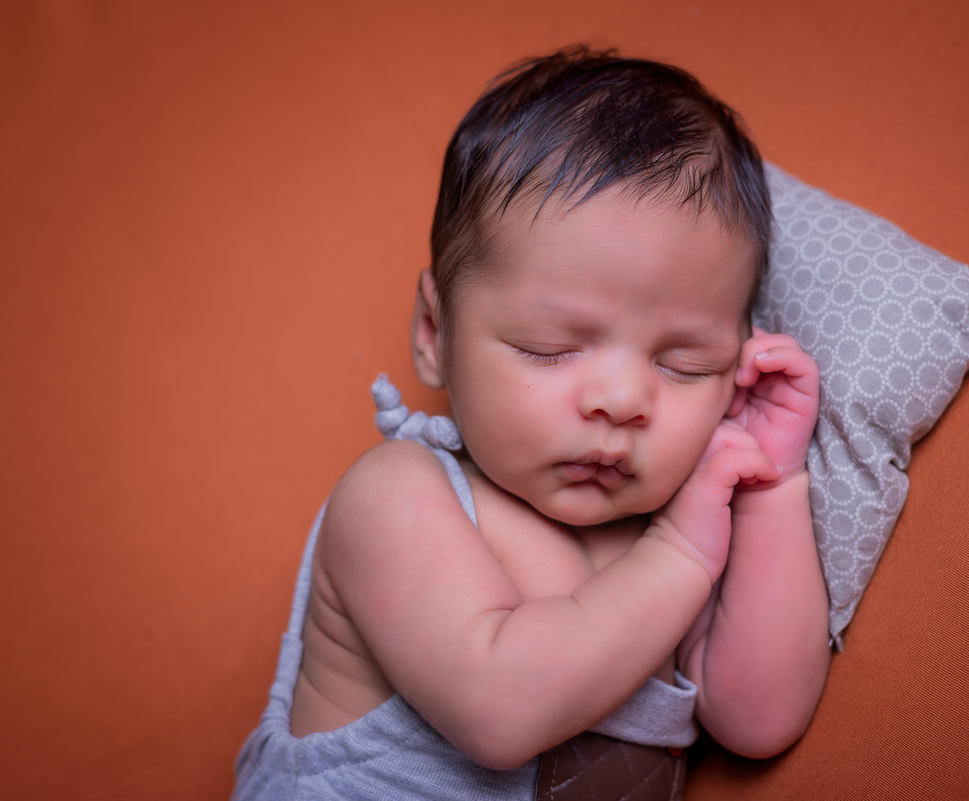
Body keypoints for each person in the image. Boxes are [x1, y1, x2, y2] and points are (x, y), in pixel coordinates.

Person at [233, 47, 830, 801]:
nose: (622, 399)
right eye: (549, 348)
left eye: (685, 364)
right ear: (435, 333)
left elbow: (759, 717)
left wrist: (771, 485)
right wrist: (681, 555)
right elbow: (497, 709)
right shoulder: (398, 496)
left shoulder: (674, 527)